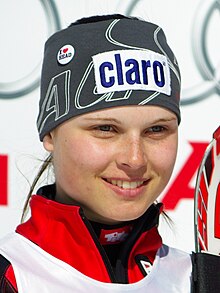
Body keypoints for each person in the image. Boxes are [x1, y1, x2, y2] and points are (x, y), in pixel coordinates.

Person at [0, 14, 192, 292]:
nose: (135, 159)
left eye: (156, 130)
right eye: (106, 129)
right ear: (50, 134)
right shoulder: (11, 276)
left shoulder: (198, 277)